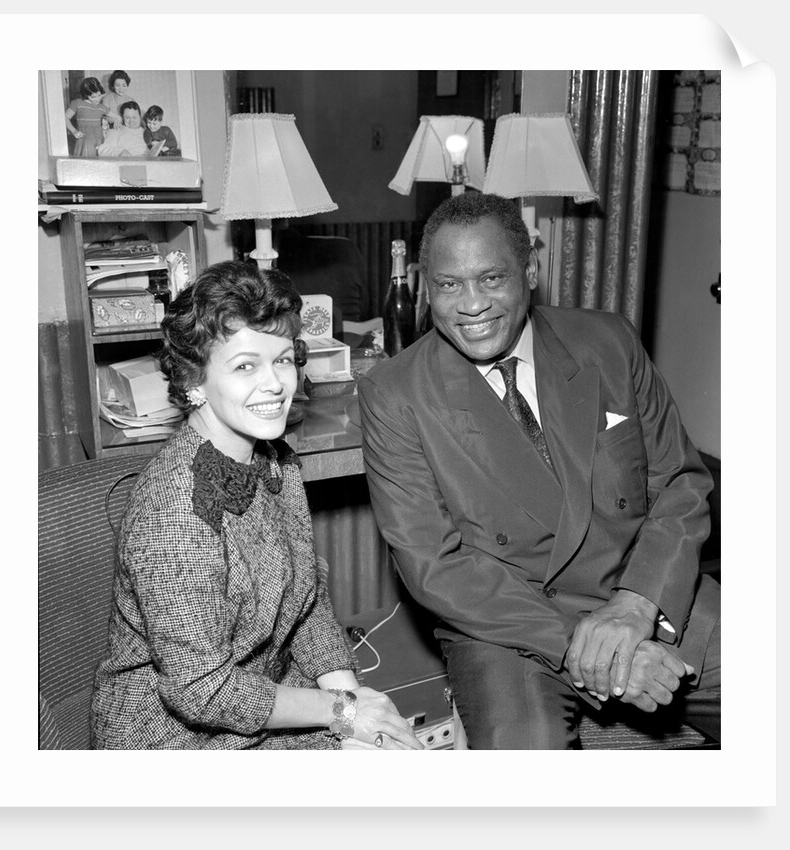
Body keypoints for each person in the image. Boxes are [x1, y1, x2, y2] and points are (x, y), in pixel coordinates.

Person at [358, 192, 721, 750]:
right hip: (510, 626)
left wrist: (635, 606)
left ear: (530, 269)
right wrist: (585, 641)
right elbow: (435, 565)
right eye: (449, 284)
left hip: (648, 588)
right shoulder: (394, 393)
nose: (471, 305)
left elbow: (680, 483)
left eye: (492, 278)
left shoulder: (608, 341)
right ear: (425, 284)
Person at [91, 260, 423, 751]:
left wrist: (357, 707)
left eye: (284, 360)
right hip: (173, 734)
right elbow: (200, 691)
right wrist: (343, 713)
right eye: (245, 366)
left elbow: (305, 604)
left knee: (393, 754)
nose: (275, 384)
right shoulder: (174, 509)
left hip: (259, 695)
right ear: (194, 382)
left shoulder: (275, 461)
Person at [64, 76, 109, 158]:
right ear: (85, 95)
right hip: (84, 139)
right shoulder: (77, 103)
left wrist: (114, 121)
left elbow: (115, 117)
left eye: (99, 95)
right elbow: (65, 118)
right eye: (93, 97)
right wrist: (74, 131)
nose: (97, 99)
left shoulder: (102, 107)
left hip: (100, 139)